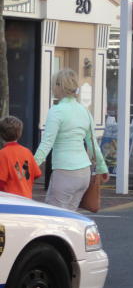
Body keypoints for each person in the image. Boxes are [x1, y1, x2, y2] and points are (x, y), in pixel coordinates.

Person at [34, 69, 109, 210]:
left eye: (53, 85)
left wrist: (32, 166)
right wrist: (102, 167)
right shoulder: (85, 111)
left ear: (59, 86)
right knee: (71, 218)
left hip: (64, 171)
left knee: (53, 217)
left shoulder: (56, 111)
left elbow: (46, 143)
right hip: (84, 173)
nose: (52, 88)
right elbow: (93, 145)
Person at [0, 116, 41, 198]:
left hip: (10, 200)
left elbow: (1, 181)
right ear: (20, 133)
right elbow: (37, 174)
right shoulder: (27, 152)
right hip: (26, 198)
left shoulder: (2, 154)